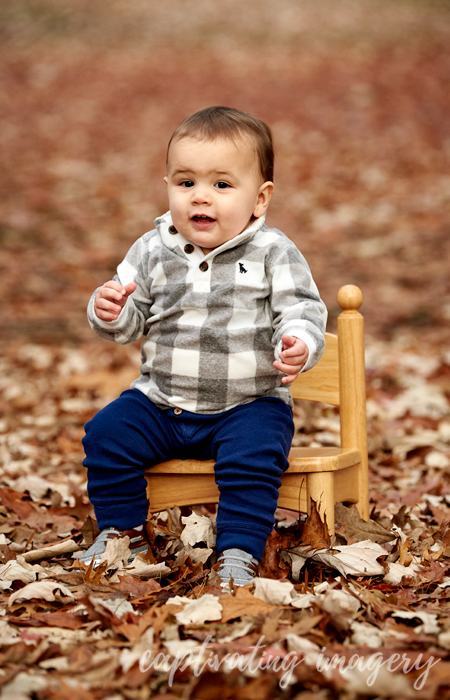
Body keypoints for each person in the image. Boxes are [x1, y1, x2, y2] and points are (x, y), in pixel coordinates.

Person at [77, 106, 327, 586]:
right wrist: (109, 309)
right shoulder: (151, 250)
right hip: (163, 402)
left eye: (221, 185)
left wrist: (298, 340)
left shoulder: (273, 251)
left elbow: (303, 309)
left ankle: (238, 551)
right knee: (106, 435)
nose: (201, 198)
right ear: (167, 184)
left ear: (260, 198)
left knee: (254, 455)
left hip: (248, 404)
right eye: (186, 183)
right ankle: (120, 533)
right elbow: (129, 323)